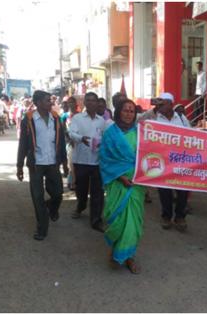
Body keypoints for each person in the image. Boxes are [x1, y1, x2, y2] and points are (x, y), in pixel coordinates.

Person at [99, 98, 145, 274]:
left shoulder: (141, 133)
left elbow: (149, 156)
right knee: (117, 220)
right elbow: (105, 160)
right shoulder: (110, 134)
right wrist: (120, 178)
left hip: (136, 183)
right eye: (125, 110)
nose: (128, 114)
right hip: (118, 183)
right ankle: (115, 251)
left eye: (132, 111)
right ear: (118, 112)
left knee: (133, 222)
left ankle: (130, 257)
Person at [16, 90, 68, 241]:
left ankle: (51, 208)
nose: (50, 103)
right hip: (36, 164)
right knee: (37, 197)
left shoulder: (56, 118)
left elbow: (62, 142)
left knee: (58, 193)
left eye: (50, 100)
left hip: (52, 162)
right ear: (37, 103)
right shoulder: (29, 119)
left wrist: (64, 163)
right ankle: (42, 228)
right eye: (47, 100)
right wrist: (19, 165)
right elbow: (23, 144)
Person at [69, 92, 106, 232]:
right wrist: (80, 138)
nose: (90, 103)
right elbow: (71, 133)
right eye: (88, 100)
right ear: (84, 103)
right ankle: (81, 205)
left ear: (97, 103)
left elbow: (105, 137)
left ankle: (96, 220)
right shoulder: (78, 118)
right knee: (82, 189)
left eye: (93, 100)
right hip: (81, 160)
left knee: (98, 191)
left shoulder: (102, 121)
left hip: (97, 161)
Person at [155, 92, 189, 231]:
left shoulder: (181, 118)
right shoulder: (154, 117)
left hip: (180, 160)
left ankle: (180, 216)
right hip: (162, 161)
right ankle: (166, 216)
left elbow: (191, 135)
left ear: (171, 104)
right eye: (160, 102)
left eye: (164, 102)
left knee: (183, 190)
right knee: (164, 191)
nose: (161, 105)